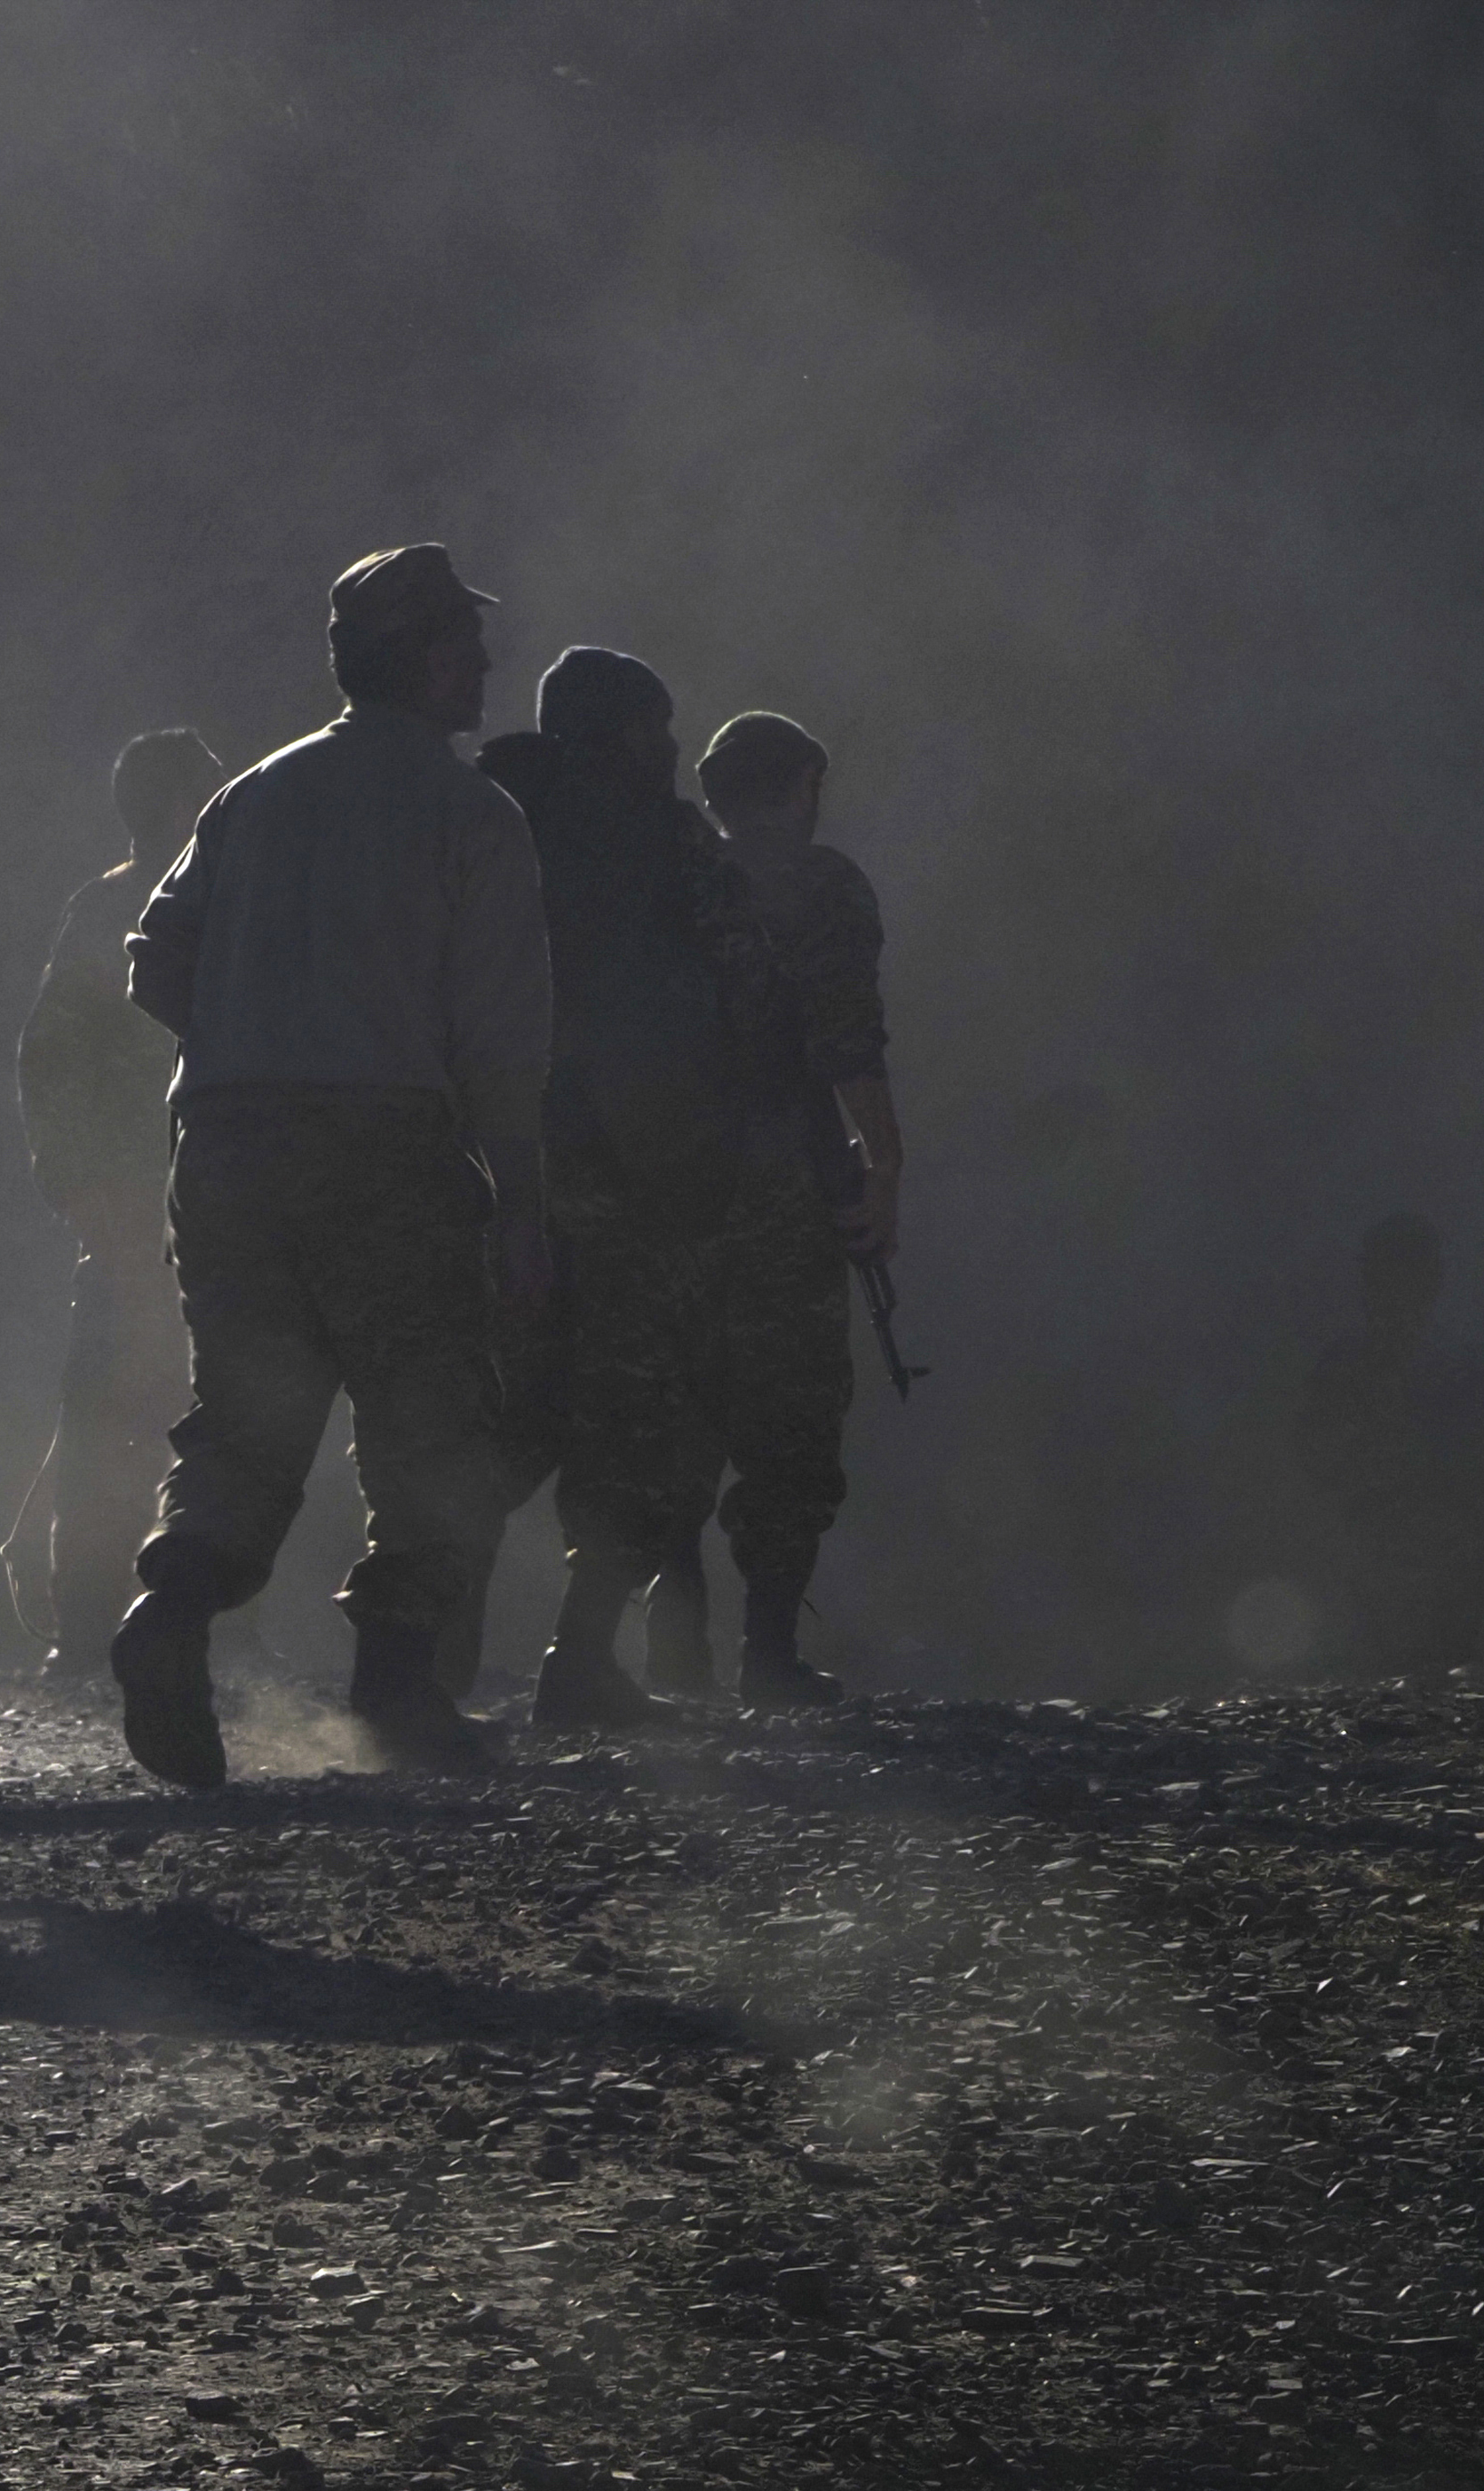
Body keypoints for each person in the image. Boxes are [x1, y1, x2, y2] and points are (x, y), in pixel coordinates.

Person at [110, 545, 545, 1786]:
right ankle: (396, 1689)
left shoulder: (254, 791)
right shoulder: (470, 813)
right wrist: (519, 1199)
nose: (482, 662)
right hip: (384, 1146)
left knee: (246, 1418)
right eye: (463, 639)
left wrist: (257, 1034)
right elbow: (501, 1034)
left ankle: (168, 1615)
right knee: (429, 1419)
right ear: (418, 656)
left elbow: (154, 960)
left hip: (228, 1145)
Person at [468, 651, 805, 1725]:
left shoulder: (489, 824)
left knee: (505, 1421)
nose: (669, 748)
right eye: (653, 728)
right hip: (636, 1171)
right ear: (620, 735)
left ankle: (422, 1662)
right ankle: (579, 1661)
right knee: (632, 1414)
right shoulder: (664, 839)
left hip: (492, 1165)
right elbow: (751, 988)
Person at [667, 707, 903, 1706]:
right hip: (775, 1179)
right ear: (801, 782)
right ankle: (763, 1655)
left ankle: (660, 1650)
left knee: (676, 1403)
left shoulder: (671, 877)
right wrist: (881, 1160)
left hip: (663, 1175)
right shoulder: (819, 885)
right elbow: (842, 1036)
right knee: (790, 1411)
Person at [3, 728, 221, 1693]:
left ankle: (99, 1628)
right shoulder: (189, 899)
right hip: (171, 1193)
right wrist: (82, 1184)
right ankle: (112, 1625)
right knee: (159, 1409)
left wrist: (73, 1182)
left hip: (161, 1192)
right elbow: (51, 1058)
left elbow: (44, 1058)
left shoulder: (108, 905)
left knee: (126, 1412)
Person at [1292, 1213, 1484, 1678]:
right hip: (1378, 1562)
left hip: (1434, 1565)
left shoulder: (1460, 1370)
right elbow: (1316, 1469)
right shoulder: (1344, 1370)